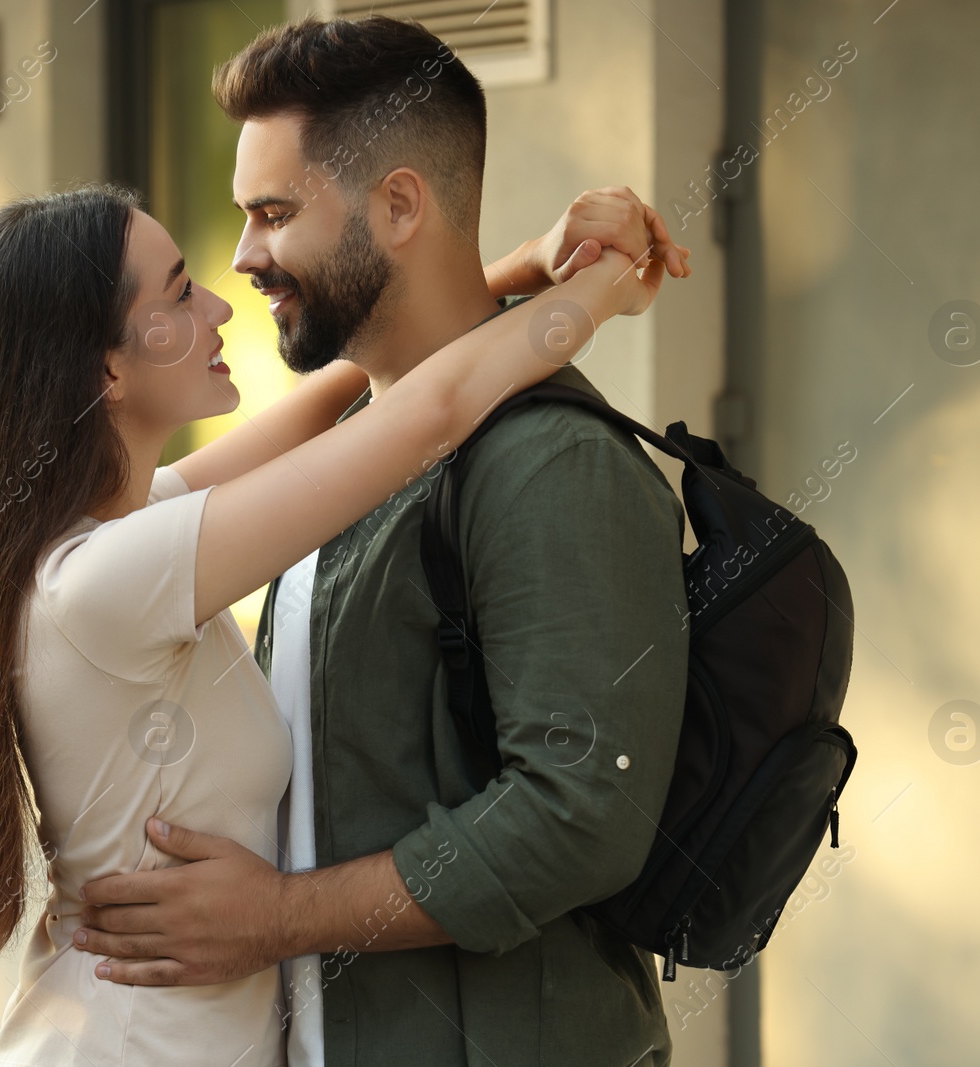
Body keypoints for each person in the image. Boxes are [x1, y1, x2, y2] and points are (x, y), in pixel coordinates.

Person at [0, 168, 674, 1064]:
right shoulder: (107, 579)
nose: (220, 308)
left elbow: (341, 396)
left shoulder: (115, 538)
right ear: (105, 367)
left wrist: (528, 264)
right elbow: (423, 416)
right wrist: (603, 289)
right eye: (180, 293)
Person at [73, 15, 696, 1067]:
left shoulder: (552, 467)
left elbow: (581, 811)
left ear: (400, 204)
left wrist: (278, 915)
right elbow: (427, 397)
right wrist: (543, 273)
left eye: (273, 213)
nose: (244, 257)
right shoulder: (344, 456)